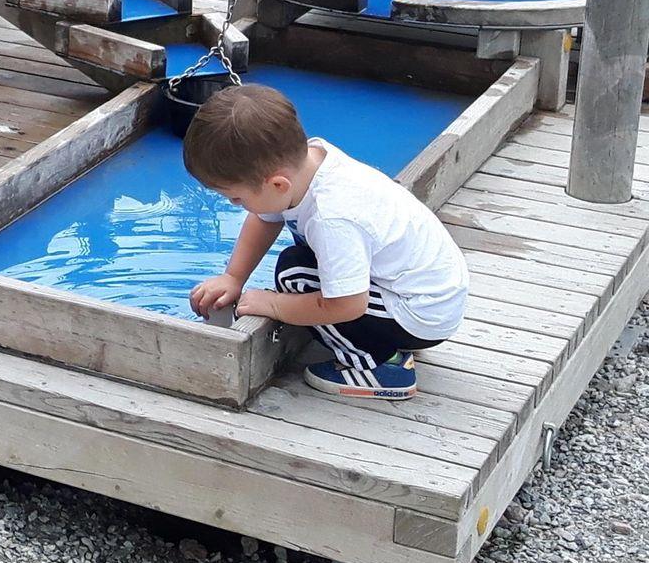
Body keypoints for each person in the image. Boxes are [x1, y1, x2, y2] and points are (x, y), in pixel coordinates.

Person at [183, 84, 468, 402]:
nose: (236, 205)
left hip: (420, 315)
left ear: (278, 184)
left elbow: (347, 304)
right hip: (423, 296)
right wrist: (233, 277)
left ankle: (383, 365)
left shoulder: (332, 216)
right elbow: (265, 218)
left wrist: (274, 305)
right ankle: (379, 338)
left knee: (294, 277)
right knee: (296, 265)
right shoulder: (308, 161)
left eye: (236, 198)